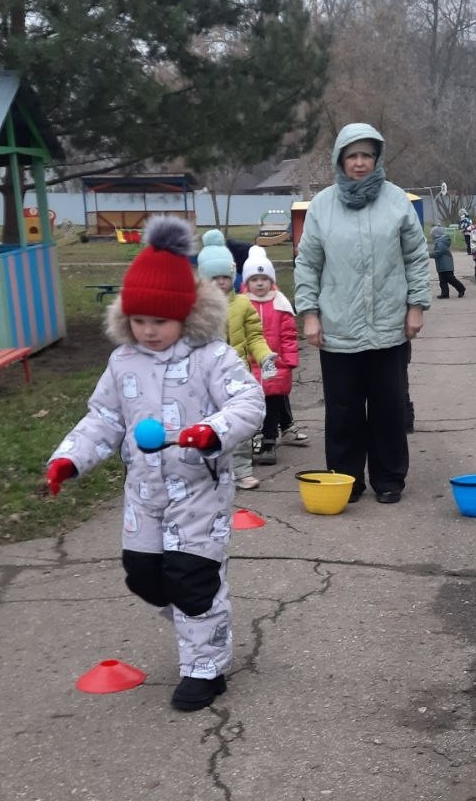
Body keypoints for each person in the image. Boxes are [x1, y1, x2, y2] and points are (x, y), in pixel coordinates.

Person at [45, 216, 266, 713]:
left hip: (199, 493)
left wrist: (212, 430)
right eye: (139, 321)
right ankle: (204, 623)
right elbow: (103, 419)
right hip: (143, 495)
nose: (148, 331)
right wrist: (68, 459)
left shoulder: (212, 357)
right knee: (143, 575)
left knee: (192, 580)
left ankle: (204, 667)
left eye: (160, 322)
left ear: (185, 315)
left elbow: (249, 402)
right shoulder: (123, 362)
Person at [293, 123, 430, 504]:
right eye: (352, 155)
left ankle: (389, 478)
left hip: (389, 325)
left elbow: (416, 258)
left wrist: (416, 307)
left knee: (389, 406)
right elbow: (308, 264)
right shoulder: (322, 206)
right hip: (337, 327)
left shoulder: (396, 201)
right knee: (343, 410)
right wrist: (310, 314)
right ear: (340, 160)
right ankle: (345, 479)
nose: (359, 163)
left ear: (377, 159)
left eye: (366, 155)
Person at [197, 240, 278, 491]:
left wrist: (264, 356)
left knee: (239, 425)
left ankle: (242, 471)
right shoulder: (196, 308)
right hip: (205, 378)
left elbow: (254, 336)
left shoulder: (243, 304)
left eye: (225, 276)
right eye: (215, 277)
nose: (221, 282)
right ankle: (210, 472)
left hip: (237, 376)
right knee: (210, 425)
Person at [240, 247, 307, 466]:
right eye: (254, 279)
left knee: (273, 405)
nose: (260, 284)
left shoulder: (280, 303)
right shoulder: (242, 304)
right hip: (249, 367)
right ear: (247, 282)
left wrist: (289, 360)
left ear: (271, 281)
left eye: (264, 279)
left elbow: (288, 335)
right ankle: (253, 439)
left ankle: (269, 441)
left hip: (276, 366)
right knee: (251, 406)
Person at [431, 223, 465, 298]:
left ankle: (461, 288)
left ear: (436, 234)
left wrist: (428, 254)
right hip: (442, 265)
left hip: (446, 265)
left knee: (450, 279)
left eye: (432, 234)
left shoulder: (440, 243)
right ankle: (445, 294)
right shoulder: (439, 242)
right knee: (442, 281)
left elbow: (438, 253)